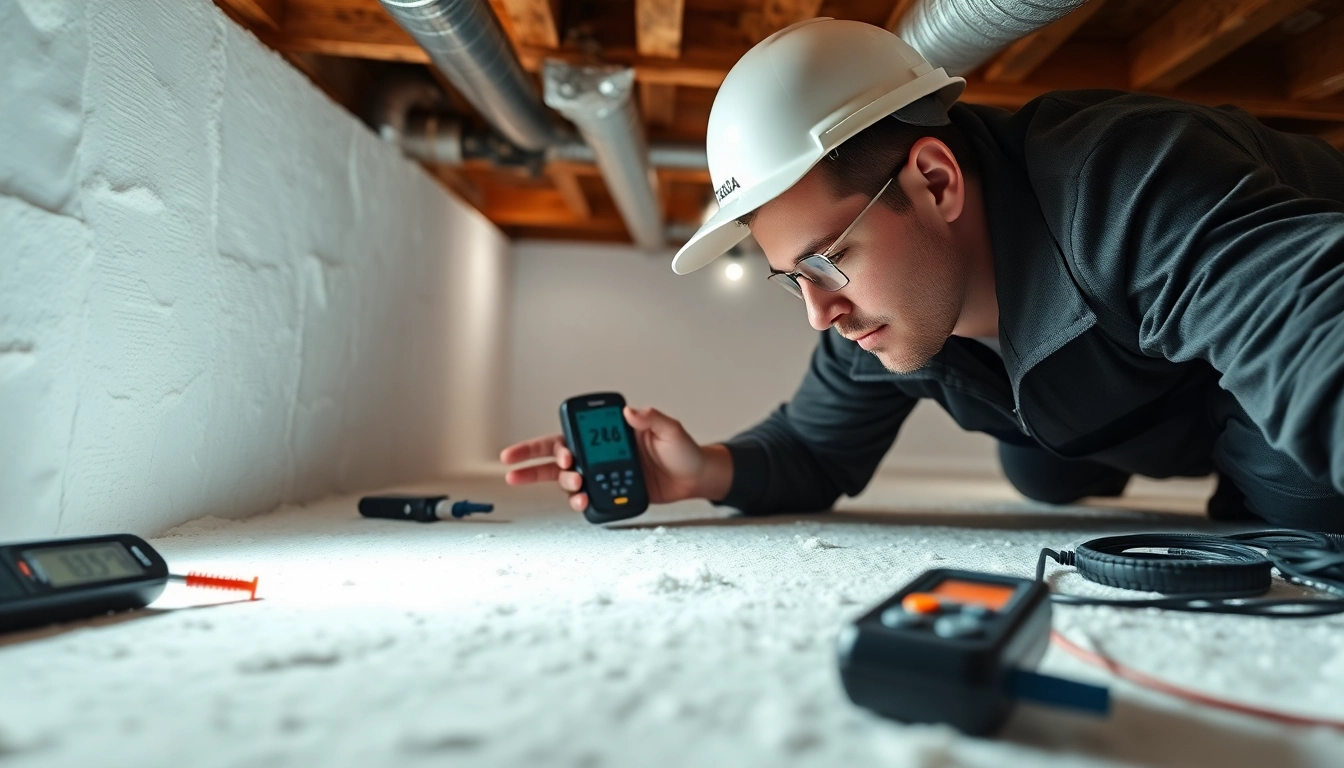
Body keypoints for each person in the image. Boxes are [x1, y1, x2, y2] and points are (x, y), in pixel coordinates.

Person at [500, 19, 1344, 532]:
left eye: (828, 260)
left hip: (1257, 346)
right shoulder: (873, 320)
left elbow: (1323, 344)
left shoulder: (1129, 183)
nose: (818, 313)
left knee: (1298, 506)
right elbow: (814, 447)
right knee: (1040, 474)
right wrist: (702, 471)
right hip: (1129, 396)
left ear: (934, 181)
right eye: (793, 279)